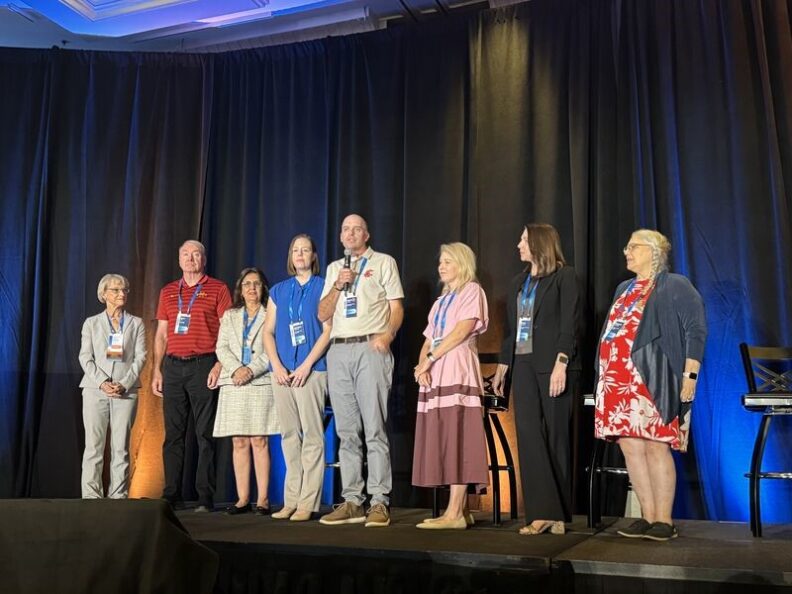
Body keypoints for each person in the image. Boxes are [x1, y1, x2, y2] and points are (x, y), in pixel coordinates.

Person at [594, 229, 706, 541]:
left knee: (657, 445)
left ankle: (664, 520)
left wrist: (690, 375)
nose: (626, 252)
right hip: (618, 381)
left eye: (633, 247)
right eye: (627, 246)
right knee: (630, 447)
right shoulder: (624, 288)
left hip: (654, 378)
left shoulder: (674, 284)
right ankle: (646, 516)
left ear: (654, 252)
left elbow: (696, 329)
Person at [492, 224, 581, 535]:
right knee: (528, 434)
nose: (518, 245)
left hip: (553, 364)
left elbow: (569, 324)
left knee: (557, 437)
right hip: (523, 364)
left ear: (539, 244)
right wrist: (504, 363)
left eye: (524, 240)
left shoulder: (564, 277)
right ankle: (541, 512)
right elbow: (511, 328)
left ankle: (558, 515)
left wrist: (561, 363)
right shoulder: (519, 282)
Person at [316, 214, 404, 528]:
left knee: (374, 429)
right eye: (345, 229)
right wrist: (338, 285)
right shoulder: (333, 269)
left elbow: (396, 307)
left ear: (366, 235)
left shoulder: (383, 262)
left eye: (356, 229)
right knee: (346, 431)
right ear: (341, 237)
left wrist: (388, 335)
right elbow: (322, 313)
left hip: (371, 347)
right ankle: (353, 500)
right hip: (339, 349)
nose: (350, 233)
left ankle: (379, 501)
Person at [412, 243, 489, 530]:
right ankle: (460, 510)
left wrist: (430, 359)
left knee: (459, 437)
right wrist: (422, 365)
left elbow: (460, 331)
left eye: (447, 261)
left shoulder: (472, 291)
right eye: (440, 262)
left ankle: (454, 512)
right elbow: (428, 338)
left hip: (457, 369)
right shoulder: (441, 301)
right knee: (444, 437)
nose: (441, 266)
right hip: (437, 373)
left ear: (462, 264)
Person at [152, 240, 232, 512]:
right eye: (185, 254)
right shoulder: (167, 291)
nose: (190, 258)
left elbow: (228, 331)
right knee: (173, 435)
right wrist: (156, 370)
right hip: (173, 367)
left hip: (204, 365)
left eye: (196, 254)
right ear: (179, 260)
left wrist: (219, 364)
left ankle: (205, 497)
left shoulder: (218, 288)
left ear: (203, 259)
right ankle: (171, 494)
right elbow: (161, 335)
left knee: (205, 435)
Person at [263, 235, 332, 522]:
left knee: (313, 436)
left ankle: (308, 501)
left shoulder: (324, 286)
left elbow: (328, 331)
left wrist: (305, 366)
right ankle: (290, 499)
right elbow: (268, 332)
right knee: (289, 436)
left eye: (305, 250)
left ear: (314, 255)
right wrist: (277, 366)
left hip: (311, 371)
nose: (300, 254)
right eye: (295, 250)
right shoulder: (278, 291)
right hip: (281, 373)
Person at [214, 267, 278, 515]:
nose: (252, 288)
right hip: (234, 382)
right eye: (247, 284)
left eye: (257, 284)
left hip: (259, 381)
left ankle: (263, 499)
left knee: (259, 440)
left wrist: (250, 370)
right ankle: (242, 499)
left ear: (263, 289)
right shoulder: (230, 315)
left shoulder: (271, 313)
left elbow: (273, 349)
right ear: (240, 289)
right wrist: (236, 370)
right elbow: (221, 347)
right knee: (239, 441)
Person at [78, 274, 146, 499]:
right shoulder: (92, 323)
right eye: (116, 290)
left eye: (124, 289)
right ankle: (91, 497)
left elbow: (141, 357)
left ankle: (118, 497)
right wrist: (102, 382)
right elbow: (85, 357)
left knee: (121, 447)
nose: (121, 294)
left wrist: (124, 383)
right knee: (94, 447)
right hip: (95, 390)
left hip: (126, 392)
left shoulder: (136, 323)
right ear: (104, 294)